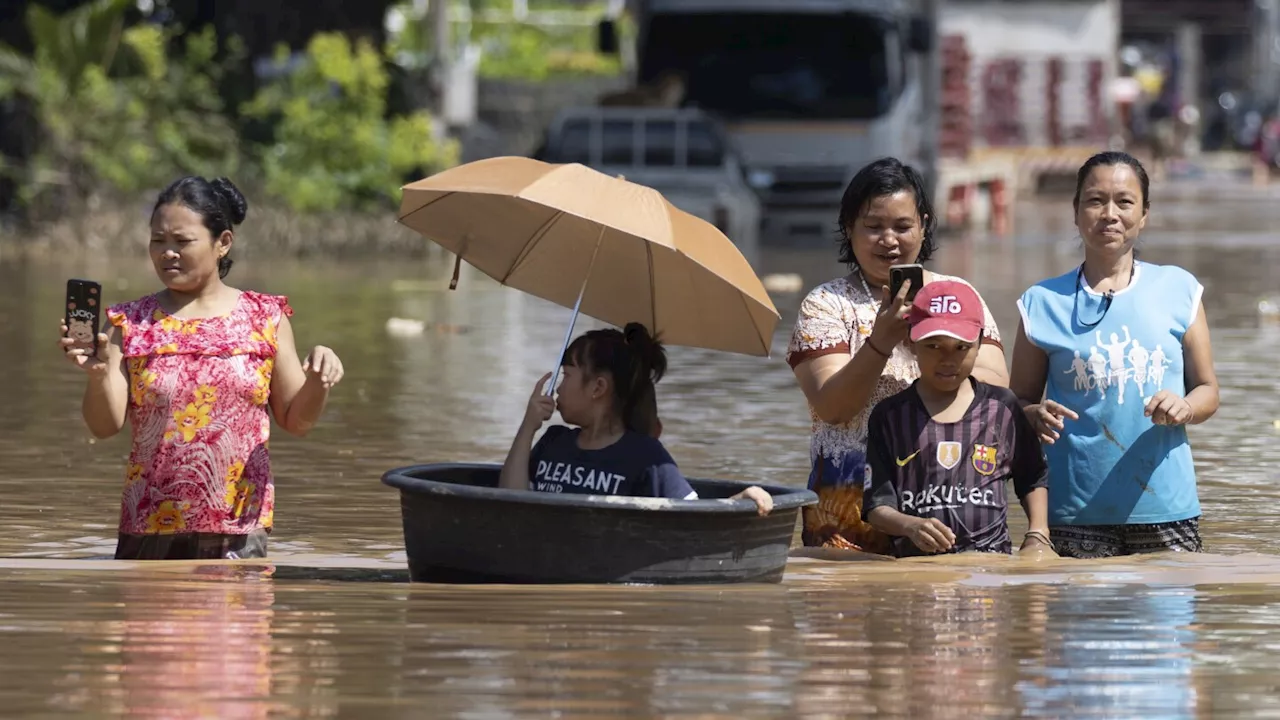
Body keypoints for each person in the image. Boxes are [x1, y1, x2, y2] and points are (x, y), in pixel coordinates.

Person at [58, 176, 344, 560]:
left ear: (222, 242)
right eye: (158, 241)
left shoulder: (265, 318)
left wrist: (318, 382)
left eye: (182, 241)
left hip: (239, 529)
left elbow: (297, 421)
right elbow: (104, 427)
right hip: (149, 526)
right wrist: (97, 376)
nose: (167, 253)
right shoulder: (130, 323)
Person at [786, 157, 1009, 553]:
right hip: (846, 503)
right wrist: (881, 341)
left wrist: (935, 348)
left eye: (902, 226)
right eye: (873, 227)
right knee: (844, 607)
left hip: (944, 497)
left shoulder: (958, 296)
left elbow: (995, 396)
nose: (888, 240)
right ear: (848, 229)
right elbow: (833, 406)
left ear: (924, 225)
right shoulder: (826, 305)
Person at [1009, 151, 1220, 558]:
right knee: (1080, 620)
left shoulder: (1180, 290)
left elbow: (1208, 390)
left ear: (1144, 215)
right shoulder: (1041, 303)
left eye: (1124, 202)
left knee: (1168, 618)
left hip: (1166, 507)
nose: (1109, 213)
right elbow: (1016, 401)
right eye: (1095, 200)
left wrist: (1184, 407)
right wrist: (1030, 416)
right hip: (1073, 513)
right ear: (1075, 212)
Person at [862, 281, 1053, 558]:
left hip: (990, 566)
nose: (948, 359)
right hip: (919, 569)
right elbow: (875, 506)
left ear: (979, 345)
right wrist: (910, 526)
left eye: (961, 347)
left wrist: (1038, 533)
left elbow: (1033, 476)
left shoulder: (1002, 408)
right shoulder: (890, 416)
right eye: (934, 346)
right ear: (910, 342)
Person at [499, 323, 773, 514]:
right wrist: (527, 427)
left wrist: (742, 499)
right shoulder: (553, 442)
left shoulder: (646, 456)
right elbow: (510, 505)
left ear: (598, 388)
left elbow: (695, 518)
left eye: (566, 375)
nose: (557, 388)